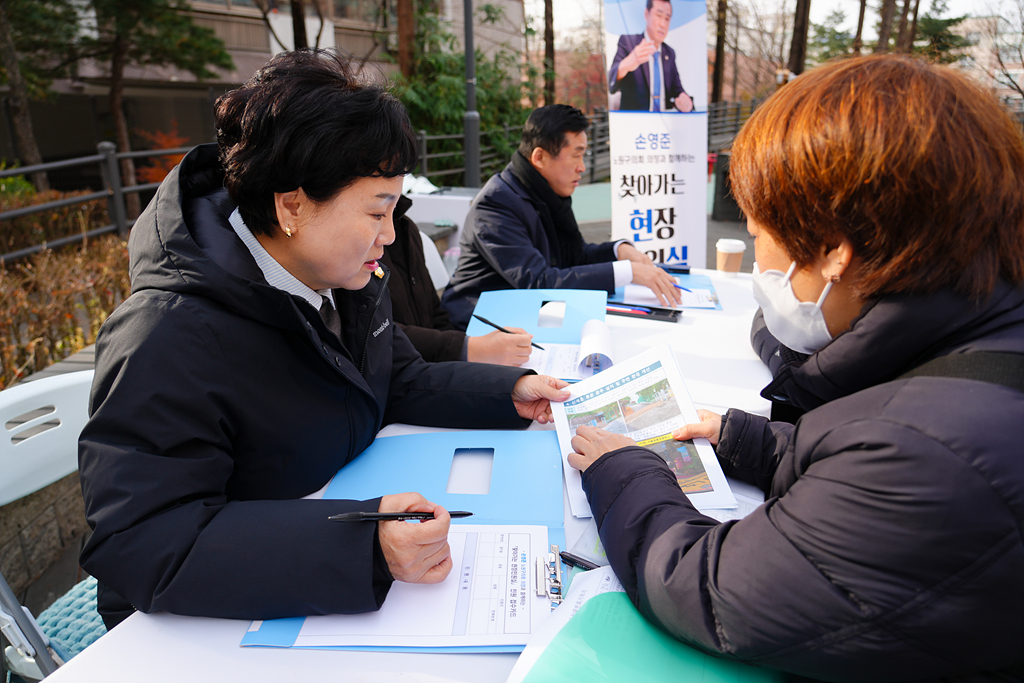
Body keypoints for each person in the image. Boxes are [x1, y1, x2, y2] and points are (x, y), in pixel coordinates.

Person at [567, 55, 1024, 680]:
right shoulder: (978, 349)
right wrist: (744, 439)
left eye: (760, 235)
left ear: (836, 250)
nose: (760, 262)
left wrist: (626, 468)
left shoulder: (926, 453)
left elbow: (707, 587)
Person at [78, 49, 568, 630]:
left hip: (314, 534)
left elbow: (396, 378)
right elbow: (144, 540)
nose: (390, 235)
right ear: (292, 205)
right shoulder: (167, 334)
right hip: (192, 632)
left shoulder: (340, 274)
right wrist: (363, 545)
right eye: (377, 212)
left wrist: (507, 390)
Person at [441, 104, 681, 330]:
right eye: (576, 155)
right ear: (539, 157)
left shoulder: (545, 193)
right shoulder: (495, 204)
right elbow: (538, 281)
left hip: (527, 314)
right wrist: (628, 273)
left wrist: (619, 251)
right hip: (478, 325)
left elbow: (573, 257)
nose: (582, 167)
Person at [380, 194, 533, 365]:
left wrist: (461, 358)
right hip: (408, 373)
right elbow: (376, 333)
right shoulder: (496, 204)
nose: (387, 236)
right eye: (375, 215)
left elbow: (435, 312)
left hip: (431, 366)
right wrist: (467, 349)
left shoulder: (406, 228)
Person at [608, 0, 694, 113]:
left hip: (664, 125)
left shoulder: (669, 53)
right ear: (646, 14)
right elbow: (612, 83)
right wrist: (626, 65)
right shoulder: (629, 43)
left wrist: (685, 101)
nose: (662, 24)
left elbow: (677, 90)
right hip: (635, 125)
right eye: (658, 15)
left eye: (667, 19)